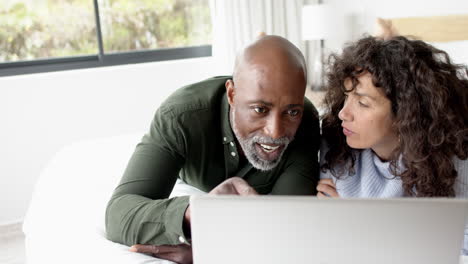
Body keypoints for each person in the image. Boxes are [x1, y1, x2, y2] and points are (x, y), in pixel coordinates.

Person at [105, 35, 321, 264]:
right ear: (232, 95)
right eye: (259, 109)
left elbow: (285, 224)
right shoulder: (180, 116)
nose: (276, 132)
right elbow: (118, 214)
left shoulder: (307, 122)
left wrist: (214, 250)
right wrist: (195, 212)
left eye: (291, 112)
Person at [317, 35, 468, 253]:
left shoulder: (456, 157)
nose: (343, 113)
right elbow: (329, 234)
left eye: (362, 103)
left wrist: (359, 227)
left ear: (406, 113)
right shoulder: (335, 145)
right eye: (346, 97)